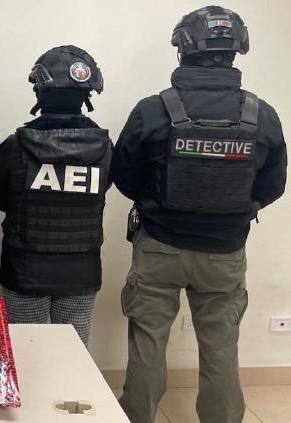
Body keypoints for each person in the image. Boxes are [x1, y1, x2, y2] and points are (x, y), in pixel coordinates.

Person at [112, 6, 286, 423]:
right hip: (224, 255)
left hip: (159, 247)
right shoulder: (261, 114)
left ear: (183, 48)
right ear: (237, 48)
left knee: (148, 342)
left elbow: (124, 174)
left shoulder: (152, 110)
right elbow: (272, 186)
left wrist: (158, 206)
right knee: (221, 347)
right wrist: (233, 212)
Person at [0, 45, 111, 346]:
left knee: (28, 354)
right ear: (87, 94)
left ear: (39, 90)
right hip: (81, 271)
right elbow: (102, 188)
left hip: (25, 271)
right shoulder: (105, 147)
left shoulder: (15, 146)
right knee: (74, 353)